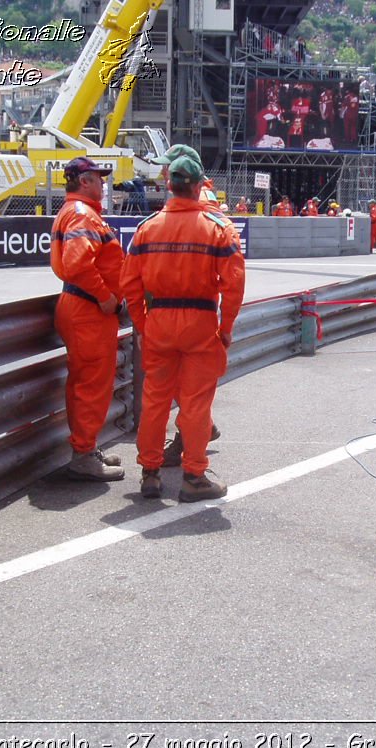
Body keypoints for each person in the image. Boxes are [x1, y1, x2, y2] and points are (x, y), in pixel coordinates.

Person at [120, 154, 245, 502]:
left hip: (159, 322)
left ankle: (149, 473)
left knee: (155, 401)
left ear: (169, 186)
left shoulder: (147, 228)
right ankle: (194, 475)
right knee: (195, 404)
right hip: (199, 322)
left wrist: (144, 325)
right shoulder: (217, 228)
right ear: (197, 186)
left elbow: (129, 283)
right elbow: (234, 284)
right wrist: (226, 327)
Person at [50, 156, 126, 482]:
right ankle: (83, 454)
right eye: (98, 178)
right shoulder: (82, 215)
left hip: (83, 309)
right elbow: (79, 264)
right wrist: (105, 297)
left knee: (85, 382)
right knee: (91, 385)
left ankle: (85, 447)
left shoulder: (78, 213)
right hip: (89, 311)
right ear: (84, 181)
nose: (103, 184)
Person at [149, 144, 224, 466]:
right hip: (193, 306)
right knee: (186, 383)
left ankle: (190, 435)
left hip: (191, 307)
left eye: (168, 167)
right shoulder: (198, 199)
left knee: (186, 382)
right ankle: (200, 427)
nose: (164, 173)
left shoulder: (200, 202)